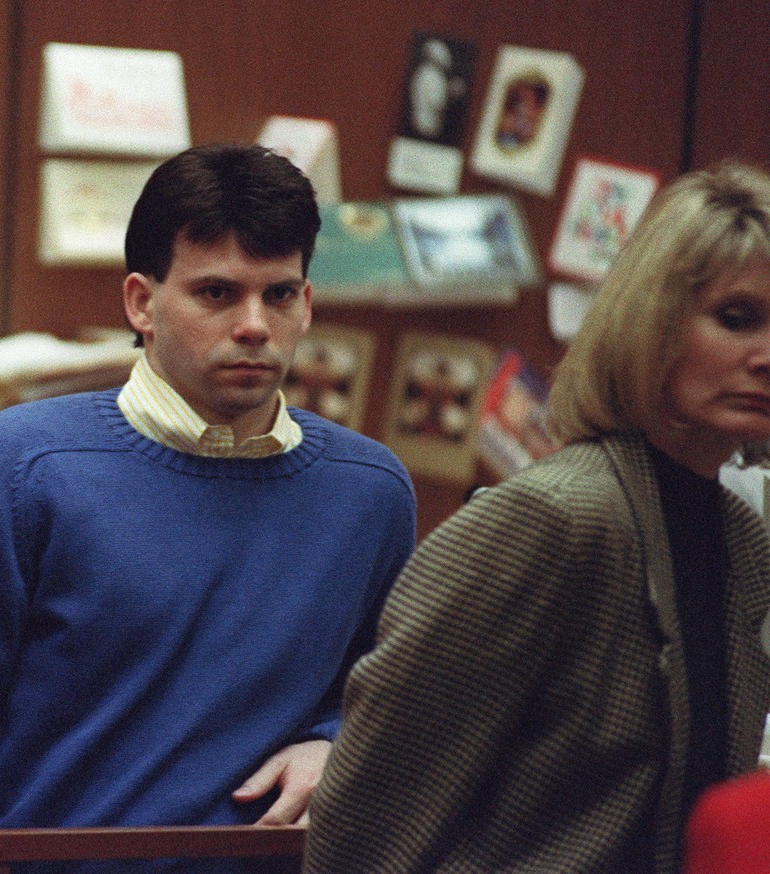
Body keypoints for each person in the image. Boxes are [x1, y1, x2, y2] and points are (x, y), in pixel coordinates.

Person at [0, 144, 416, 847]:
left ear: (308, 304)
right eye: (217, 293)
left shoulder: (371, 492)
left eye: (279, 294)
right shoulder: (17, 465)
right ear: (142, 302)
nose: (255, 324)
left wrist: (338, 743)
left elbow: (398, 702)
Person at [303, 159, 770, 873]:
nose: (765, 355)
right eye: (736, 319)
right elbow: (368, 819)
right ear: (656, 324)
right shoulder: (550, 519)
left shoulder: (742, 542)